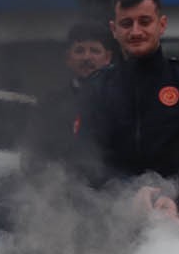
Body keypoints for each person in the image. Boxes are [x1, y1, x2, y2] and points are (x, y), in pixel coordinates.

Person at [73, 0, 179, 215]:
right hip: (113, 222)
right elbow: (86, 158)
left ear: (161, 24)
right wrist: (128, 192)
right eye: (126, 24)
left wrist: (176, 194)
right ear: (114, 30)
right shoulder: (97, 87)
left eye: (144, 21)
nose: (135, 32)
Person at [24, 20, 115, 169]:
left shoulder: (122, 100)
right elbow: (35, 150)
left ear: (107, 58)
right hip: (61, 185)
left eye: (94, 51)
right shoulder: (50, 103)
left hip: (114, 189)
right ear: (68, 58)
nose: (87, 57)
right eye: (79, 51)